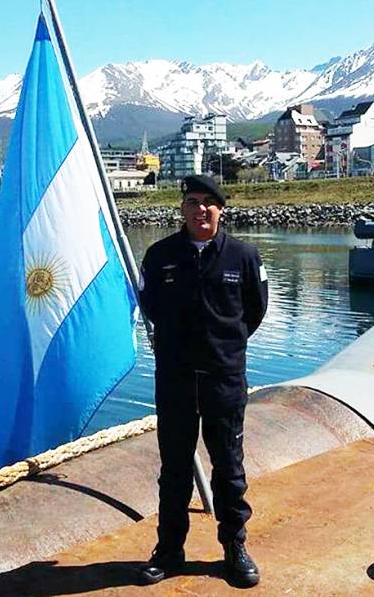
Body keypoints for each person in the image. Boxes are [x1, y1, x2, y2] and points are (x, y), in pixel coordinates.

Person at [138, 174, 268, 587]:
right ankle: (170, 551)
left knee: (229, 469)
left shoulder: (244, 257)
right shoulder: (160, 256)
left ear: (221, 209)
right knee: (174, 470)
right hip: (175, 380)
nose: (200, 210)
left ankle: (234, 549)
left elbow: (255, 311)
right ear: (183, 209)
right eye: (192, 202)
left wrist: (223, 346)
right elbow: (151, 305)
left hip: (223, 380)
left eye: (208, 203)